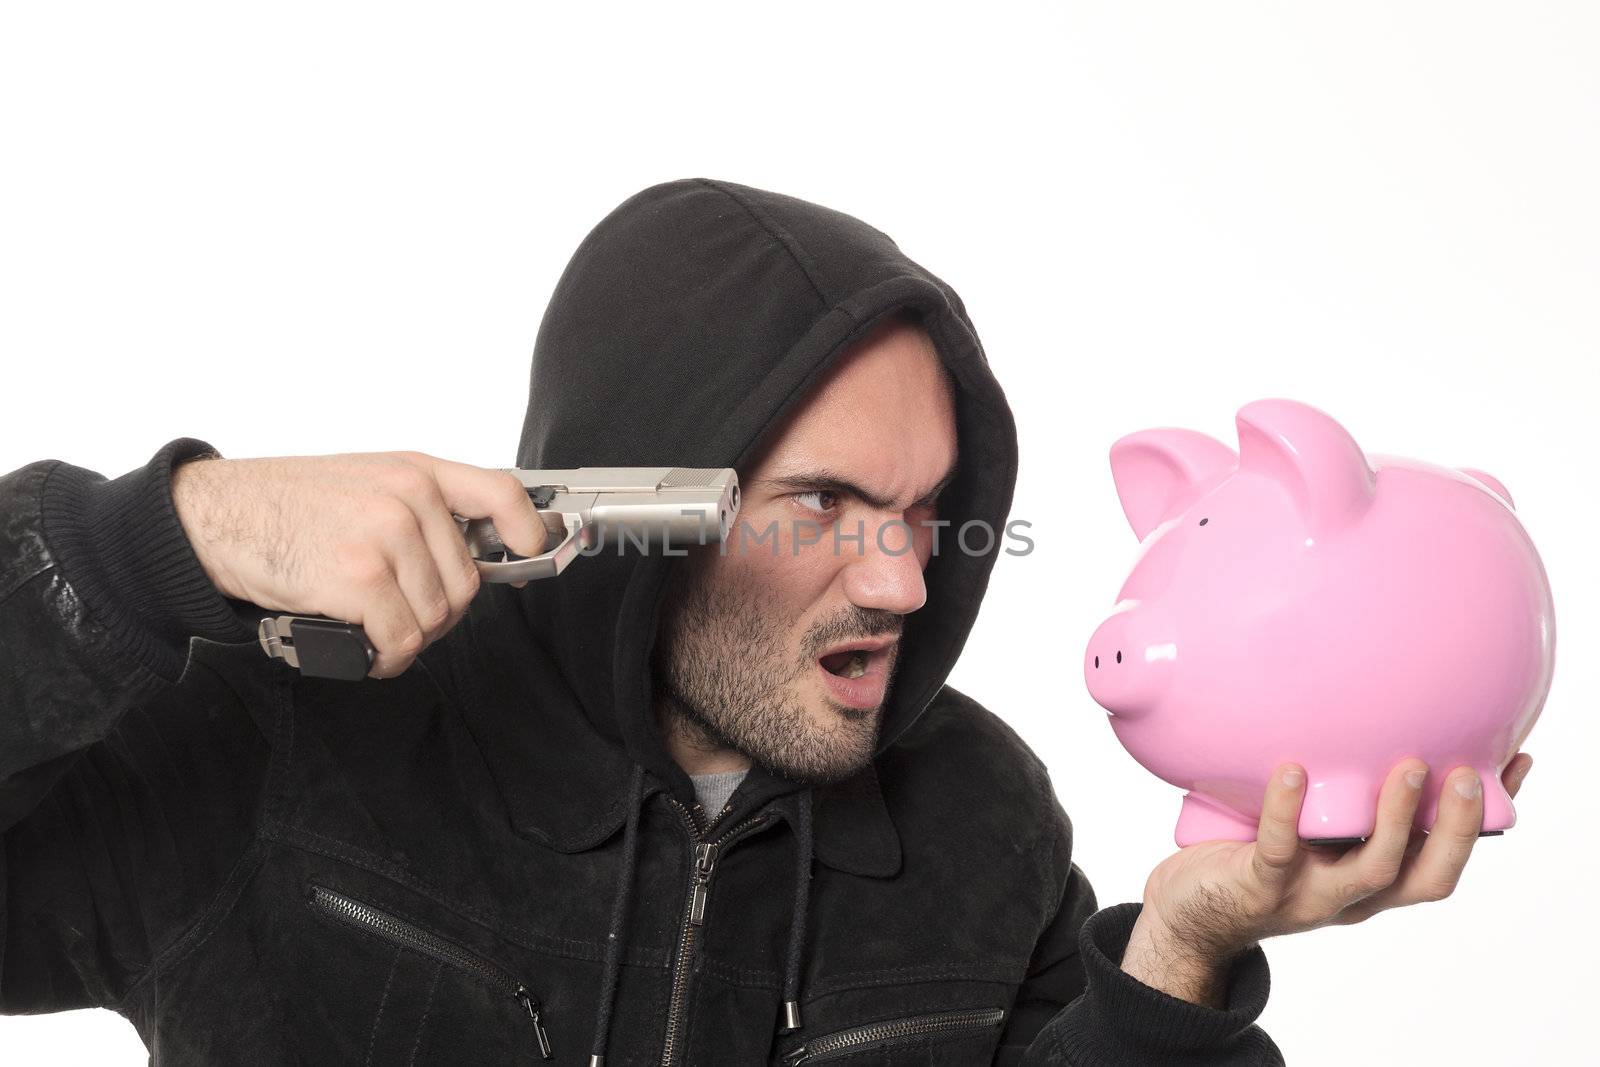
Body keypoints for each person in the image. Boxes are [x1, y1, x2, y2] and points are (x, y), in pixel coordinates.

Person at [0, 179, 1529, 1065]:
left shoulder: (977, 819)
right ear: (620, 516)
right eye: (823, 505)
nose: (907, 584)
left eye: (928, 509)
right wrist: (153, 546)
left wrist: (1183, 958)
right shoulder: (281, 746)